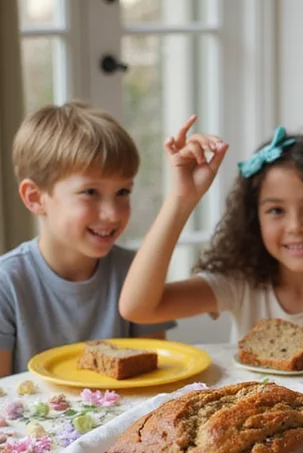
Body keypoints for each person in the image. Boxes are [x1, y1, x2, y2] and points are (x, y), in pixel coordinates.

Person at [119, 117, 303, 349]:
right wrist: (182, 198)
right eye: (276, 210)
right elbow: (137, 309)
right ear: (252, 218)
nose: (295, 226)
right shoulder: (241, 283)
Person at [0, 101, 173, 376]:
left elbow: (156, 378)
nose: (112, 213)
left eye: (123, 192)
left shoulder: (136, 272)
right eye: (90, 192)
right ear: (35, 198)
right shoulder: (7, 283)